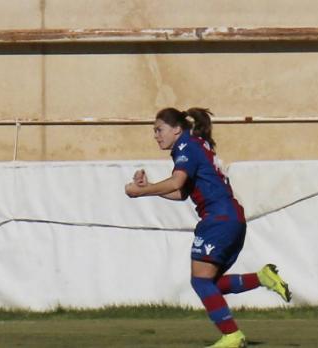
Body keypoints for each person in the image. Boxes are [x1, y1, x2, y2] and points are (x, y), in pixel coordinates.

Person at [125, 107, 292, 348]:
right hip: (232, 218)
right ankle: (262, 278)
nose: (156, 135)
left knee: (201, 282)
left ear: (177, 129)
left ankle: (232, 336)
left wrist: (140, 191)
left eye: (159, 130)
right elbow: (182, 193)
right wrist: (149, 188)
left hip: (218, 219)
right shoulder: (197, 143)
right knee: (209, 283)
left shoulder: (186, 146)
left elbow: (176, 182)